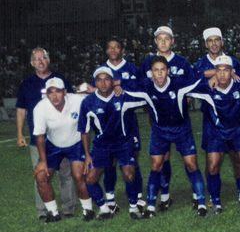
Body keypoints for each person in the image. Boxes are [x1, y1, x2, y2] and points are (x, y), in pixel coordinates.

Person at [122, 56, 207, 217]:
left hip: (182, 129)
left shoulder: (179, 84)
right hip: (160, 131)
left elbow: (198, 77)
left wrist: (215, 75)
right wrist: (116, 86)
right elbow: (125, 86)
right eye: (156, 70)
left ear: (168, 71)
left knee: (191, 164)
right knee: (156, 165)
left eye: (162, 70)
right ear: (151, 73)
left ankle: (202, 203)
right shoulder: (146, 86)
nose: (159, 74)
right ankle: (151, 206)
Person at [185, 55, 240, 213]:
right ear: (215, 72)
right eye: (218, 71)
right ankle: (216, 202)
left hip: (239, 130)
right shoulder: (207, 88)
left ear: (232, 71)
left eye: (226, 70)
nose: (222, 74)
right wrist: (206, 78)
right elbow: (186, 82)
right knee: (212, 166)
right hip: (216, 132)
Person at [193, 28, 240, 208]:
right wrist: (212, 75)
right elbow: (193, 83)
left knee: (237, 158)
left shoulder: (233, 61)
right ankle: (213, 196)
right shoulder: (200, 63)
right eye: (210, 40)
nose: (214, 43)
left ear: (222, 41)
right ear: (205, 43)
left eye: (217, 40)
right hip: (212, 119)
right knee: (212, 159)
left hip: (235, 118)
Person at [16, 48, 77, 219]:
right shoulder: (26, 84)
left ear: (48, 60)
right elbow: (21, 110)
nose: (40, 61)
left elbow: (72, 101)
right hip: (39, 139)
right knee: (41, 174)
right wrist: (20, 134)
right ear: (31, 63)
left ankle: (68, 208)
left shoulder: (60, 79)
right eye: (36, 59)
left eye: (43, 57)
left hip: (62, 137)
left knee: (66, 174)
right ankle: (44, 211)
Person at [138, 26, 195, 206]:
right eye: (159, 39)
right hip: (158, 119)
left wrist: (188, 99)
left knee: (189, 159)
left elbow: (192, 85)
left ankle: (196, 195)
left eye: (167, 38)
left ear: (172, 41)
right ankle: (165, 195)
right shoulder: (147, 62)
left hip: (180, 120)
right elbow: (140, 86)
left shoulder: (182, 62)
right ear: (155, 41)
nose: (163, 42)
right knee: (162, 157)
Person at [79, 67, 144, 219]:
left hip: (123, 143)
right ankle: (104, 208)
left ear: (112, 81)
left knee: (129, 173)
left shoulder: (122, 96)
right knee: (90, 178)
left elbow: (143, 90)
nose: (103, 83)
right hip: (102, 146)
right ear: (95, 82)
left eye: (107, 79)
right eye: (99, 80)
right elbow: (85, 131)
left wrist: (124, 85)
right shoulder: (88, 102)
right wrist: (88, 155)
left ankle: (134, 207)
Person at [32, 78, 93, 222]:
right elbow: (40, 137)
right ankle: (53, 213)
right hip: (53, 145)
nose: (54, 96)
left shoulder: (78, 101)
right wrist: (42, 161)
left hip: (76, 143)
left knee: (79, 175)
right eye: (50, 92)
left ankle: (88, 210)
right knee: (41, 176)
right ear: (46, 94)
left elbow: (85, 131)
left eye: (58, 91)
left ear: (65, 92)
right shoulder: (40, 108)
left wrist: (87, 154)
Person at [98, 38, 143, 213]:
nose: (114, 50)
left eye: (117, 47)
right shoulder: (102, 70)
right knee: (110, 161)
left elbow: (141, 90)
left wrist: (122, 86)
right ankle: (110, 199)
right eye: (110, 47)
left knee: (133, 159)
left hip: (129, 122)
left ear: (122, 49)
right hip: (107, 123)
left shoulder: (132, 68)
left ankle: (137, 196)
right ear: (106, 51)